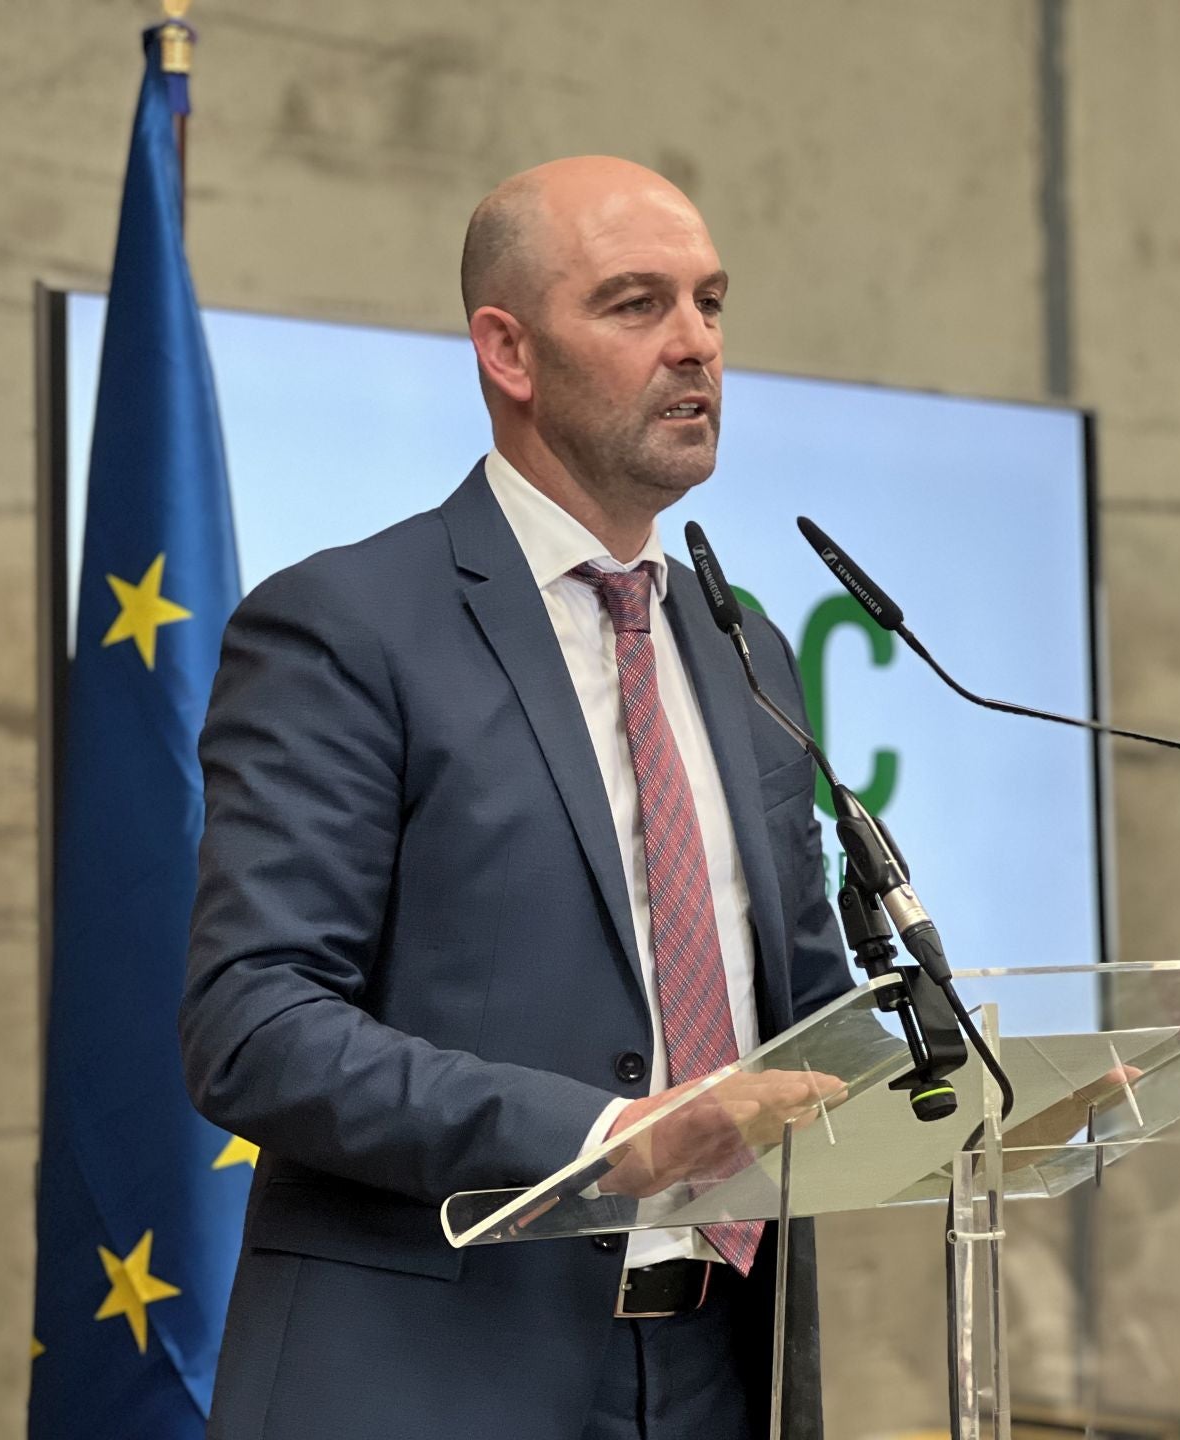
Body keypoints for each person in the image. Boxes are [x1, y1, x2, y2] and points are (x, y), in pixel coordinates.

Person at [181, 155, 855, 1440]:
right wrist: (607, 1134)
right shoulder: (346, 628)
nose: (696, 346)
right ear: (509, 350)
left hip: (724, 1371)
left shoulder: (743, 644)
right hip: (437, 1376)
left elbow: (805, 1013)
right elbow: (251, 1026)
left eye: (711, 304)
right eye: (636, 304)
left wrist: (991, 1081)